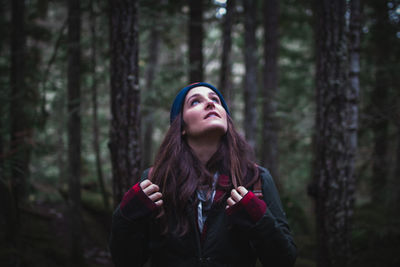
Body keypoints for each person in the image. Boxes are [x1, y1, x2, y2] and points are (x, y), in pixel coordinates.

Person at [109, 82, 296, 267]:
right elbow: (126, 260)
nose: (210, 103)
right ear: (181, 126)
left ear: (227, 122)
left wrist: (259, 219)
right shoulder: (156, 180)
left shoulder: (256, 179)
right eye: (195, 102)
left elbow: (285, 260)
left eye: (215, 100)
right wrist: (126, 216)